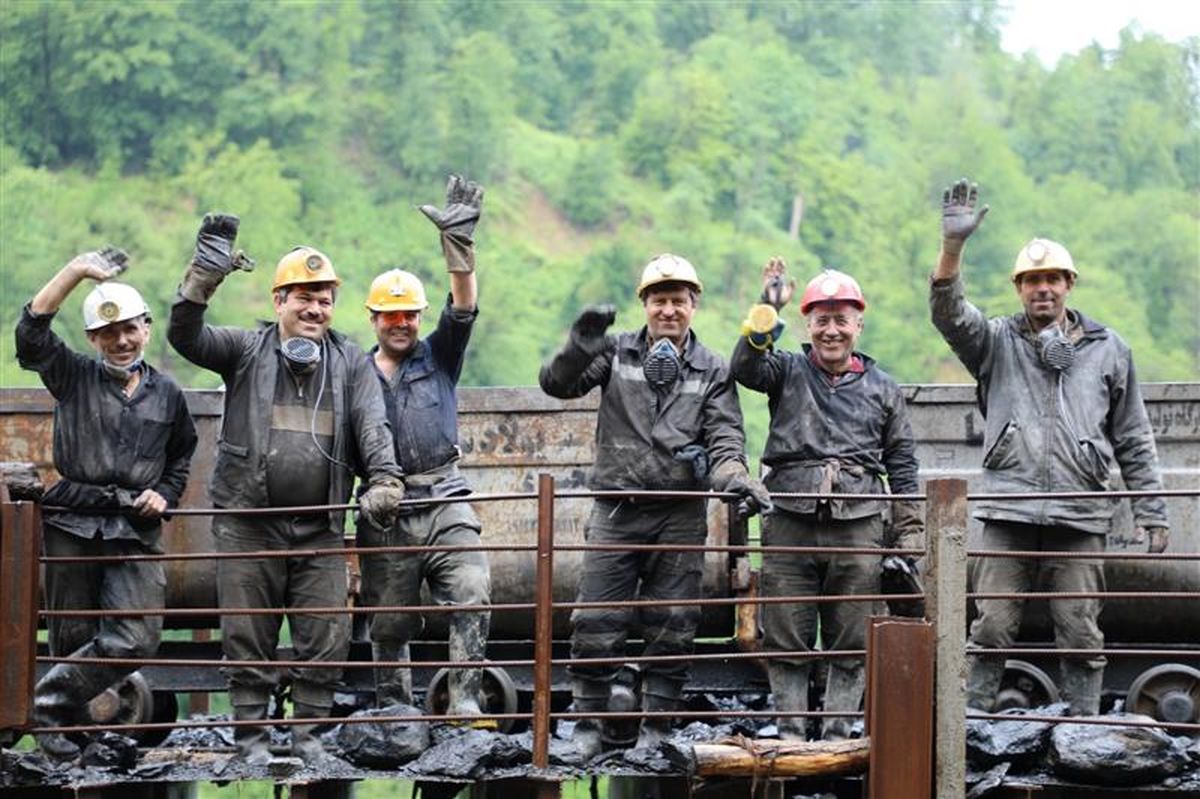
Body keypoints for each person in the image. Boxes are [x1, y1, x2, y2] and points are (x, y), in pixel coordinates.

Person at [168, 214, 406, 765]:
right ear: (279, 300)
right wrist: (204, 277)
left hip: (319, 526)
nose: (315, 310)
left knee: (325, 636)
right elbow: (185, 337)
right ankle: (251, 744)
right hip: (249, 526)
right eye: (303, 297)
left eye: (324, 300)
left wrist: (385, 478)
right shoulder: (245, 349)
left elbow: (373, 425)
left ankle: (309, 743)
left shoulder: (350, 361)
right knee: (247, 636)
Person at [930, 179, 1170, 716]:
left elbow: (1133, 436)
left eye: (1053, 279)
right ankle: (969, 729)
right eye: (1033, 280)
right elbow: (949, 316)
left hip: (1080, 513)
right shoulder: (995, 342)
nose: (1044, 289)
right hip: (1009, 508)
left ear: (1069, 284)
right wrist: (953, 249)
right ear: (1019, 288)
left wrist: (1152, 511)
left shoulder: (1110, 350)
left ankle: (1084, 728)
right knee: (990, 626)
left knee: (1080, 629)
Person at [539, 254, 771, 758]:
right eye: (660, 300)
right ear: (644, 304)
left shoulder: (712, 368)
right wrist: (578, 346)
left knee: (673, 620)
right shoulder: (616, 352)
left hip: (679, 513)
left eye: (679, 301)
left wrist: (734, 477)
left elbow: (727, 438)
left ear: (693, 306)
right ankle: (586, 728)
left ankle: (656, 731)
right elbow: (557, 384)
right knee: (595, 620)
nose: (669, 310)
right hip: (618, 509)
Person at [15, 249, 197, 761]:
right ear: (94, 339)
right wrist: (74, 271)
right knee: (72, 636)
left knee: (137, 635)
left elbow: (182, 454)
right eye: (108, 333)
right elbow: (30, 335)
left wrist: (167, 492)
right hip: (74, 520)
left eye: (130, 330)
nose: (121, 341)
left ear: (146, 327)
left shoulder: (167, 394)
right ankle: (68, 748)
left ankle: (43, 705)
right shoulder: (73, 376)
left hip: (135, 525)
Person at [731, 258, 922, 741]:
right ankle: (792, 735)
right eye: (821, 320)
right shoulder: (787, 370)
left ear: (859, 323)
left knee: (852, 634)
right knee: (787, 632)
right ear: (807, 324)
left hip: (859, 524)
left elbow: (902, 464)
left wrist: (910, 531)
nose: (831, 331)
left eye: (841, 320)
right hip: (790, 518)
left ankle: (838, 734)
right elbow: (744, 366)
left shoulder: (884, 389)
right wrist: (765, 309)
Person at [357, 175, 491, 720]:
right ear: (374, 319)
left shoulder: (439, 355)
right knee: (389, 619)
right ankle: (394, 711)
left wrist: (457, 244)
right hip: (385, 511)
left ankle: (464, 702)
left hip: (446, 495)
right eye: (391, 315)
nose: (402, 323)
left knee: (472, 590)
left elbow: (463, 306)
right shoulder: (353, 374)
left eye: (410, 313)